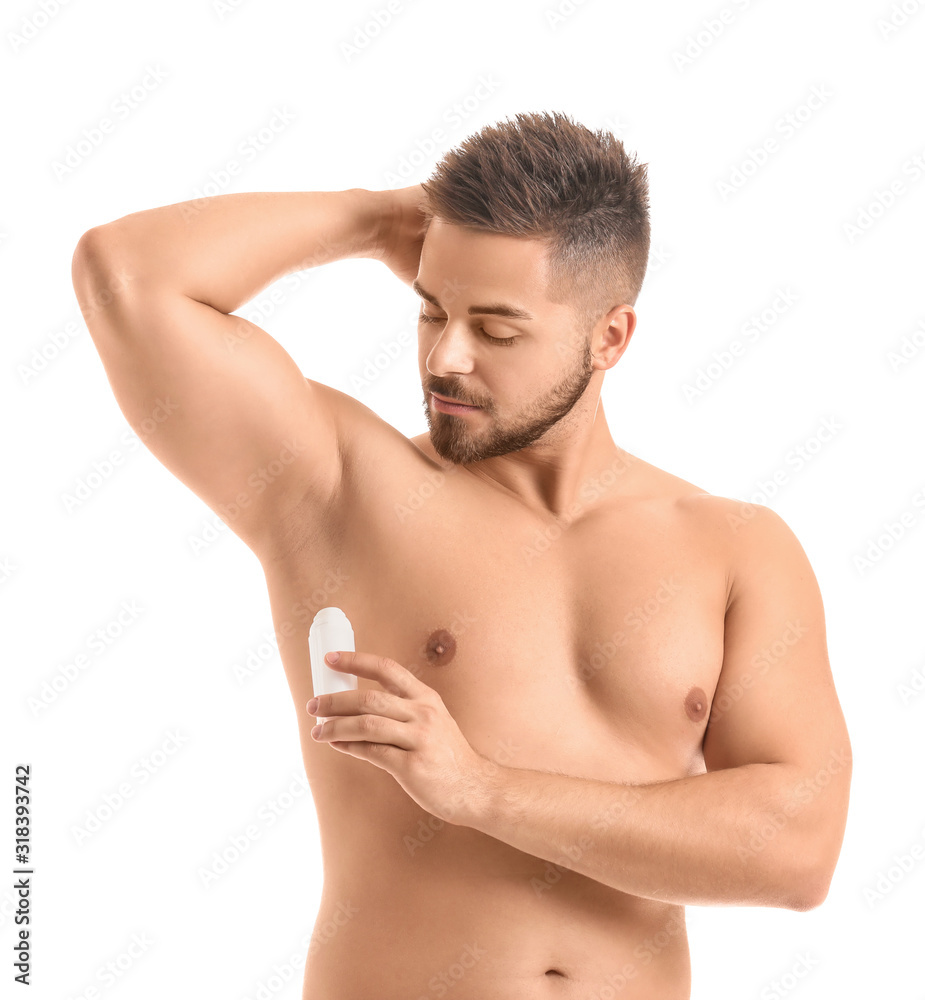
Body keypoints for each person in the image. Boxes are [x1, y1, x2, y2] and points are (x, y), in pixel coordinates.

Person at [71, 110, 852, 1000]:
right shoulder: (338, 487)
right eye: (431, 310)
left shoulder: (735, 548)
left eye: (496, 328)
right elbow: (125, 275)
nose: (446, 357)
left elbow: (797, 849)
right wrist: (375, 220)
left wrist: (481, 790)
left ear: (611, 337)